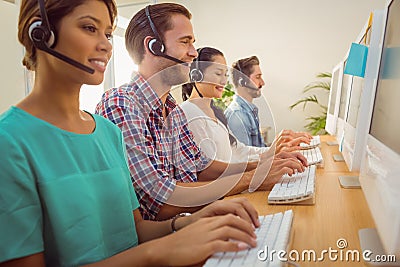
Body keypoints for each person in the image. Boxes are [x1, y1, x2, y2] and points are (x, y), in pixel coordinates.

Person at [0, 0, 265, 266]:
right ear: (40, 32)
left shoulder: (106, 132)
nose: (106, 45)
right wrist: (162, 250)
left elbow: (135, 230)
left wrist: (190, 223)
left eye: (106, 33)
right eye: (89, 27)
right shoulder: (9, 142)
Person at [95, 3, 307, 221]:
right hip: (163, 239)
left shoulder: (172, 110)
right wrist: (253, 178)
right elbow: (160, 200)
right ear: (153, 46)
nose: (193, 53)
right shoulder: (123, 104)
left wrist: (265, 164)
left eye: (193, 43)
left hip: (189, 224)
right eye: (185, 42)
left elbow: (200, 167)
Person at [181, 47, 296, 163]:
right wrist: (266, 162)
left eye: (225, 74)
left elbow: (239, 151)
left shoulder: (215, 112)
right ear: (196, 75)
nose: (224, 81)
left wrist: (273, 151)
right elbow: (211, 168)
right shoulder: (190, 113)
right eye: (218, 73)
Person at [225, 56, 313, 147]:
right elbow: (246, 159)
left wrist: (286, 142)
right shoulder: (238, 115)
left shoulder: (248, 111)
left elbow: (258, 151)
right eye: (258, 77)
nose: (262, 83)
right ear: (242, 81)